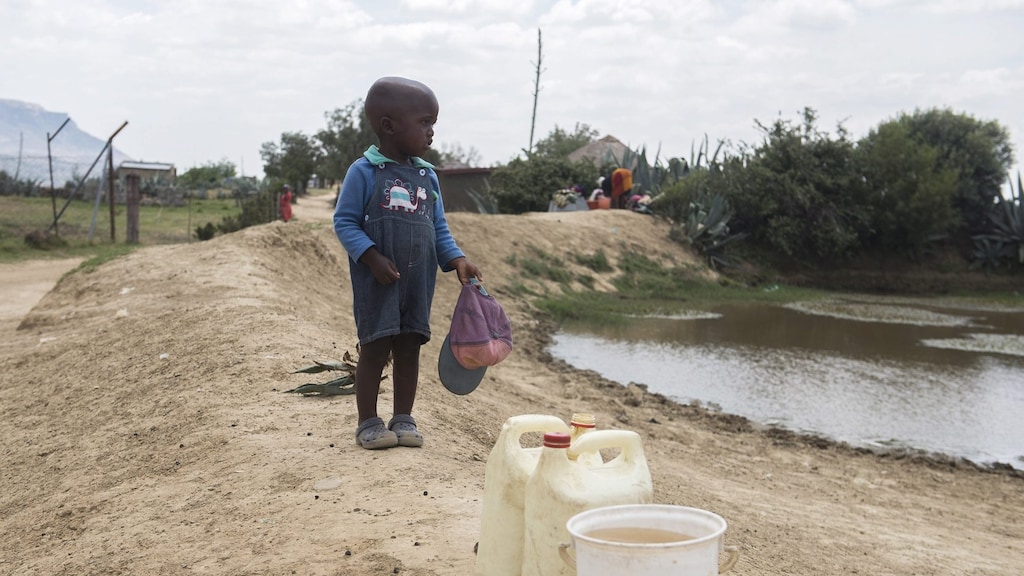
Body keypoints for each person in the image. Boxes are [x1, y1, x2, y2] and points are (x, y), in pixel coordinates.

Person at [333, 76, 482, 450]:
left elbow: (438, 228)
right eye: (425, 122)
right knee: (375, 349)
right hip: (378, 281)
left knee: (409, 348)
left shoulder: (427, 176)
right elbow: (345, 222)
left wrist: (457, 259)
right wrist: (371, 256)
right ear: (389, 125)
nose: (432, 132)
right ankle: (368, 422)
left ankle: (403, 417)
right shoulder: (364, 172)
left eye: (433, 123)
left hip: (418, 282)